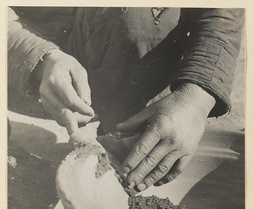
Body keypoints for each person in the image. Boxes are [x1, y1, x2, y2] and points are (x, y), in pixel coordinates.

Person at [8, 7, 244, 192]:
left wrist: (195, 98)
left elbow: (222, 12)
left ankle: (119, 141)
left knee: (140, 16)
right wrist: (38, 57)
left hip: (121, 53)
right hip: (18, 60)